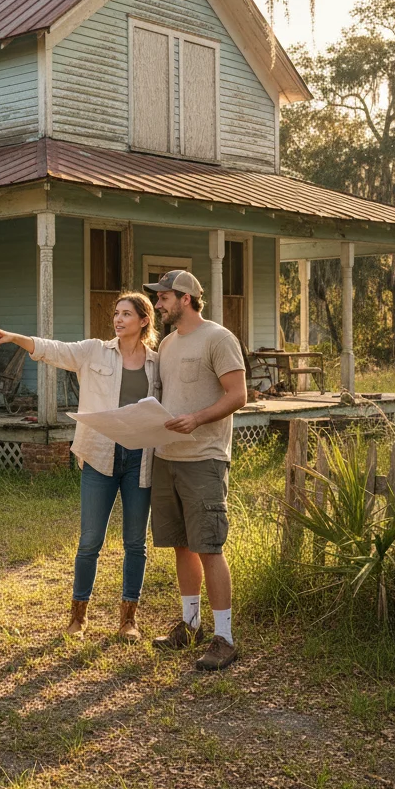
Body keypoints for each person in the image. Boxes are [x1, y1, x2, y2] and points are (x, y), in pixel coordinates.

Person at [0, 292, 160, 641]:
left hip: (140, 459)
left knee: (135, 543)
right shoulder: (94, 350)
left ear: (144, 321)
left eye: (127, 314)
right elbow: (54, 350)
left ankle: (129, 620)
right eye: (116, 313)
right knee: (89, 541)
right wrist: (17, 338)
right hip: (99, 455)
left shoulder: (158, 363)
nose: (118, 319)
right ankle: (78, 617)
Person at [144, 270, 247, 671]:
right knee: (181, 544)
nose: (158, 305)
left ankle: (225, 638)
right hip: (168, 458)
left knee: (208, 546)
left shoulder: (218, 339)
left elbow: (238, 395)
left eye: (164, 297)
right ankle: (191, 625)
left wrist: (197, 419)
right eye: (158, 298)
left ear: (186, 298)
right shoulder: (167, 344)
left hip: (204, 457)